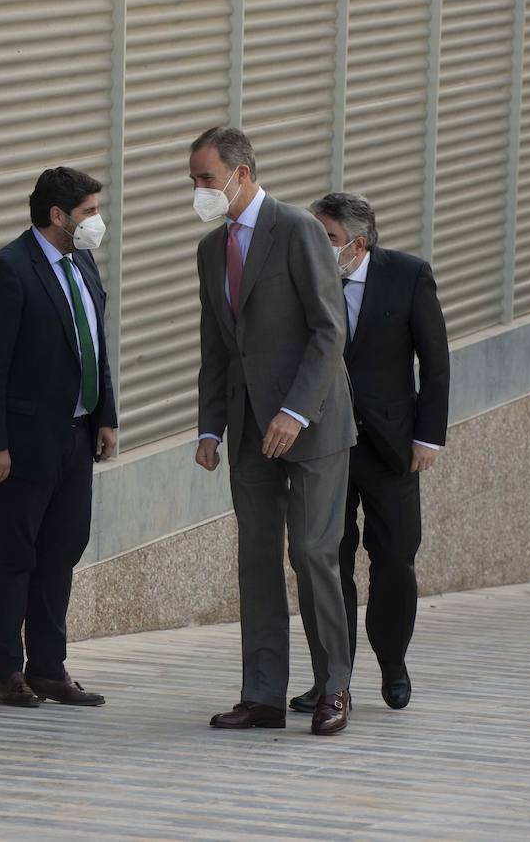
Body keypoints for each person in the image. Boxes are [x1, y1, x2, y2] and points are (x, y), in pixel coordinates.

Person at [189, 127, 357, 736]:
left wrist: (295, 411)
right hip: (246, 430)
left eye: (207, 179)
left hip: (310, 423)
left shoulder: (298, 229)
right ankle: (261, 695)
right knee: (256, 559)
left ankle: (333, 687)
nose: (201, 191)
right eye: (196, 182)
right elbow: (216, 348)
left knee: (312, 553)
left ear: (242, 172)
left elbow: (328, 329)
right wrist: (210, 427)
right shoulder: (211, 251)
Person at [0, 166, 118, 709]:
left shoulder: (83, 262)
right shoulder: (8, 271)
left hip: (77, 435)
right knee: (13, 557)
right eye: (89, 212)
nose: (97, 222)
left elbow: (96, 345)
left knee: (62, 550)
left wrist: (106, 417)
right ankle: (8, 673)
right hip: (21, 446)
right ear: (57, 215)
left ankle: (50, 667)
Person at [287, 192, 449, 714]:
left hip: (390, 447)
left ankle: (394, 663)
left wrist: (428, 437)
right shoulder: (302, 277)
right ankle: (334, 677)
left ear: (356, 243)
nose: (317, 246)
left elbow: (436, 361)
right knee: (327, 561)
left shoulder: (408, 275)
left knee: (395, 559)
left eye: (326, 238)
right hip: (326, 443)